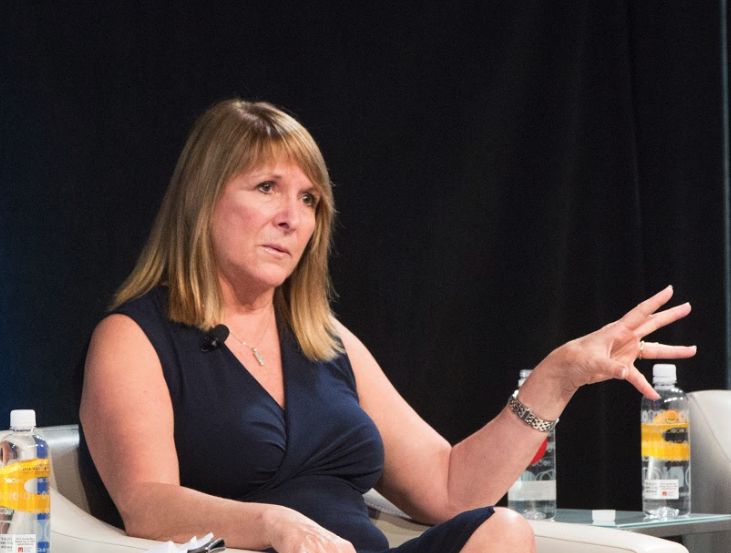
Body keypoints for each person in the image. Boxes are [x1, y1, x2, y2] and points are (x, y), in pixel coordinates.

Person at [79, 98, 696, 553]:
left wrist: (558, 377)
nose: (293, 218)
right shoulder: (134, 339)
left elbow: (449, 490)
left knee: (502, 531)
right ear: (201, 201)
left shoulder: (324, 340)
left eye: (309, 199)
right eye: (267, 188)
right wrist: (273, 525)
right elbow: (147, 504)